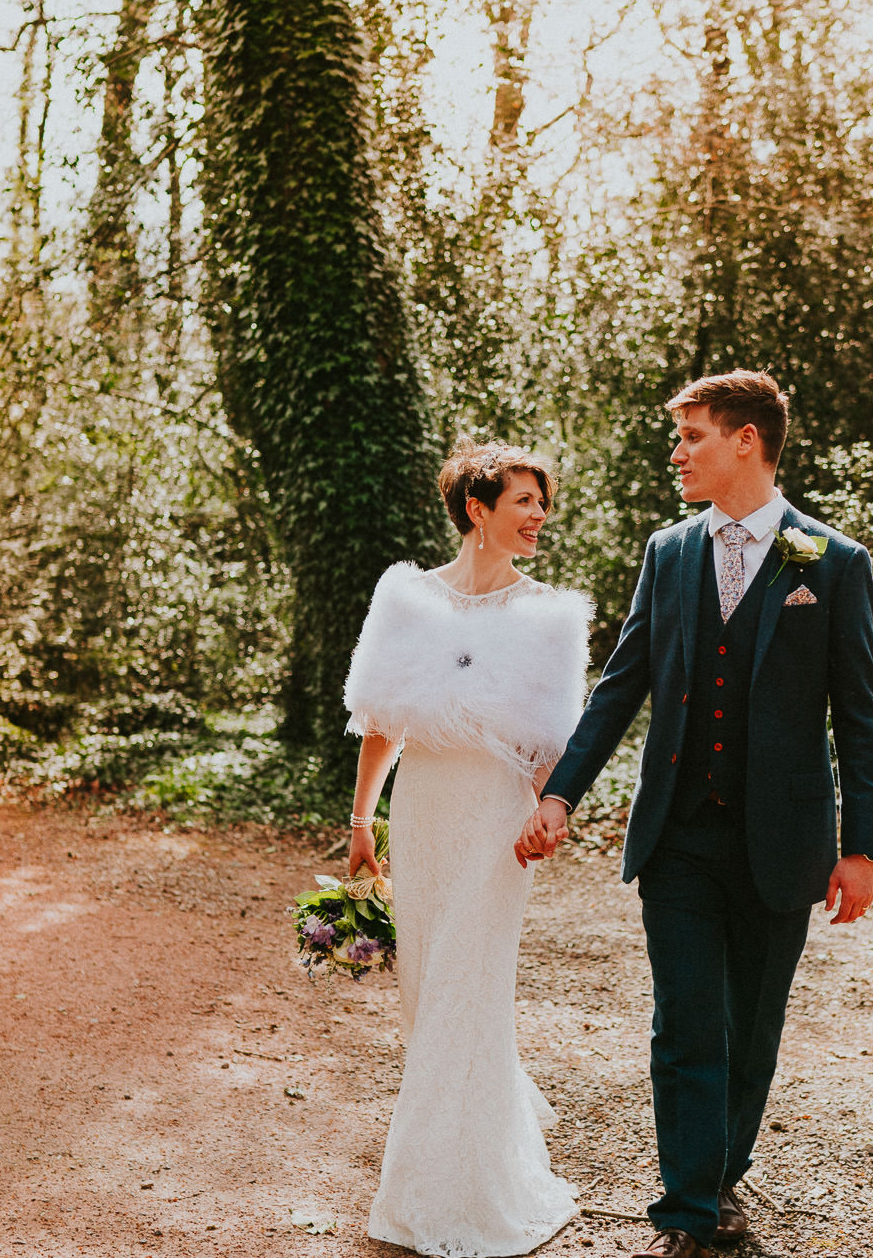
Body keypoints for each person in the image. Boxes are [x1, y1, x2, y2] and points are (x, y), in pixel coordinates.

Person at [517, 370, 873, 1258]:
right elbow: (621, 684)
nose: (676, 453)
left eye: (692, 437)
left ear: (746, 441)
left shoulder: (832, 562)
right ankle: (686, 1205)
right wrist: (563, 790)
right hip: (678, 832)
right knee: (685, 1017)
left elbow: (858, 713)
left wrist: (862, 846)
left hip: (784, 838)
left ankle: (719, 1177)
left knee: (751, 1025)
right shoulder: (668, 551)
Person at [341, 438, 592, 1257]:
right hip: (424, 812)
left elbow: (551, 740)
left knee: (467, 987)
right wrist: (360, 825)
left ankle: (452, 1196)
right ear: (477, 509)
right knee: (423, 990)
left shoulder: (550, 616)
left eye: (542, 502)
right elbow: (382, 723)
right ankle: (475, 1151)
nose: (538, 515)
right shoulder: (407, 600)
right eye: (524, 500)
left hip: (494, 822)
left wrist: (550, 809)